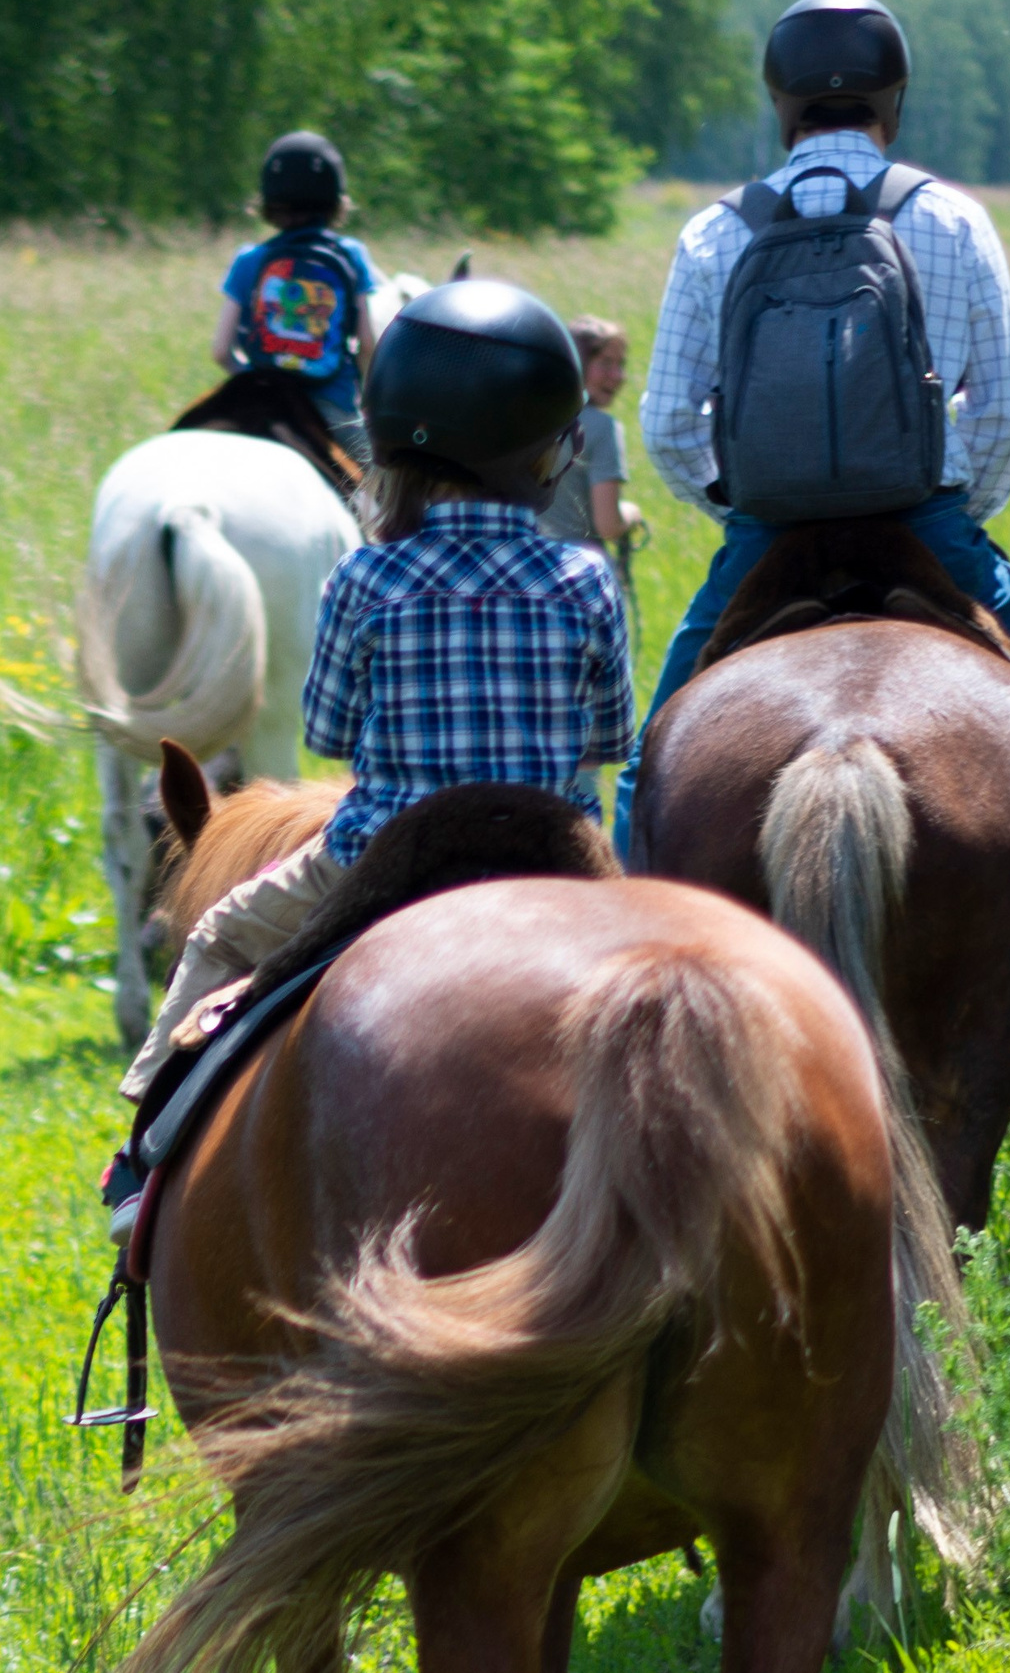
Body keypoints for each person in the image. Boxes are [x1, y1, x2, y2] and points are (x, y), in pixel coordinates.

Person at [618, 0, 1010, 1048]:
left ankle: (629, 948)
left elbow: (669, 425)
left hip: (768, 536)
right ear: (892, 98)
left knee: (654, 752)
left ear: (780, 102)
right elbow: (1003, 413)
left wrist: (741, 501)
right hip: (928, 523)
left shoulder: (715, 231)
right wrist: (954, 509)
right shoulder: (949, 217)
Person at [101, 283, 635, 1243]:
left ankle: (146, 1150)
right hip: (555, 857)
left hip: (381, 855)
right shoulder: (584, 577)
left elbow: (329, 732)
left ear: (394, 443)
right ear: (551, 450)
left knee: (218, 935)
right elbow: (610, 739)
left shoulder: (367, 574)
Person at [212, 132, 386, 465]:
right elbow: (367, 343)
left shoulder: (249, 259)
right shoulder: (351, 254)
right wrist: (367, 400)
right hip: (330, 409)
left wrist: (250, 379)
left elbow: (220, 350)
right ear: (335, 199)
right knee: (382, 481)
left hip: (261, 402)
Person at [540, 316, 645, 558]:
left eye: (621, 364)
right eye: (606, 363)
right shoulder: (602, 427)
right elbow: (608, 526)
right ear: (576, 363)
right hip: (574, 566)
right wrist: (631, 514)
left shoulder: (527, 416)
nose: (618, 375)